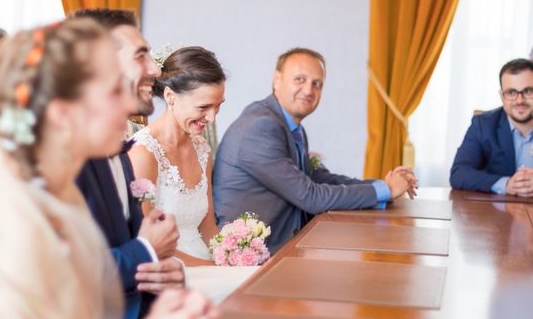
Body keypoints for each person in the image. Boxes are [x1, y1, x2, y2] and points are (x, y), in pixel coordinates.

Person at [0, 19, 218, 319]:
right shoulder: (8, 212)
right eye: (112, 92)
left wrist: (160, 304)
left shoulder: (57, 191)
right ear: (63, 113)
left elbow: (78, 312)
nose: (128, 104)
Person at [213, 48, 417, 253]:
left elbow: (318, 178)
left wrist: (382, 186)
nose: (309, 90)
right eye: (300, 79)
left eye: (317, 84)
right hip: (254, 255)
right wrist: (387, 190)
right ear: (277, 79)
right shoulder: (260, 127)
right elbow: (310, 196)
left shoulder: (289, 125)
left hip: (291, 242)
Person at [71, 8, 183, 319]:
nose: (156, 68)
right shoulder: (65, 153)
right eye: (141, 56)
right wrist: (146, 249)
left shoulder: (117, 146)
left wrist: (164, 276)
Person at [129, 46, 258, 303]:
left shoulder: (201, 149)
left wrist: (229, 254)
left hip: (204, 262)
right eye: (203, 107)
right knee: (253, 285)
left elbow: (207, 225)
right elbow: (145, 243)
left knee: (258, 279)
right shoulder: (144, 153)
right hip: (169, 270)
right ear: (170, 96)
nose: (212, 117)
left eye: (218, 106)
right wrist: (217, 269)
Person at [450, 58, 533, 195]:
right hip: (499, 213)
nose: (519, 100)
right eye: (511, 93)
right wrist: (506, 184)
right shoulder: (483, 125)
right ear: (502, 96)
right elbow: (459, 173)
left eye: (528, 91)